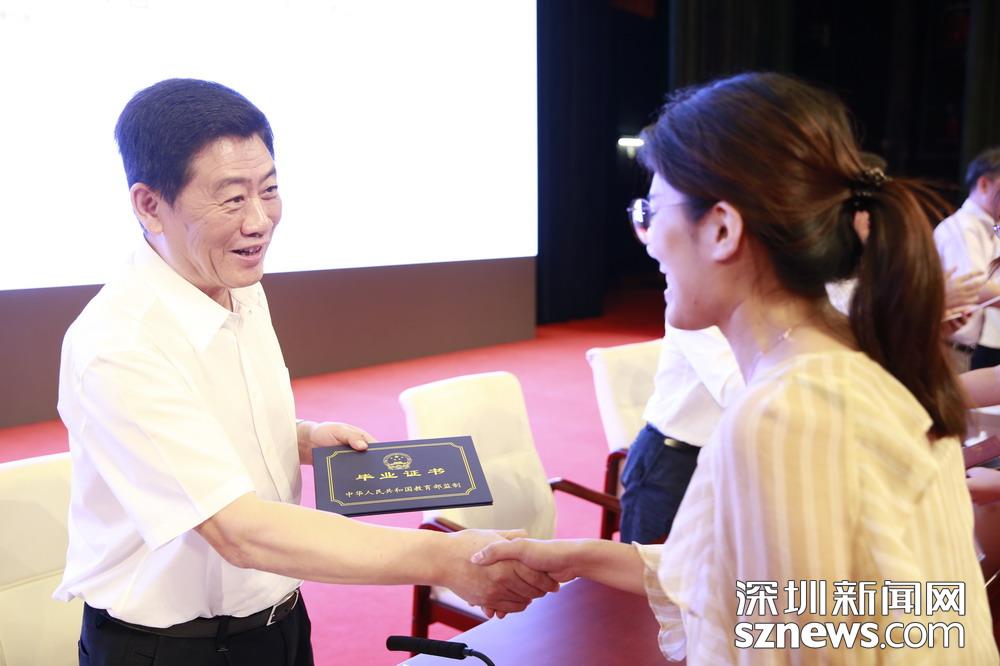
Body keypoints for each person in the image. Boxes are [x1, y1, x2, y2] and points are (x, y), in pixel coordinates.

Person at [470, 72, 997, 663]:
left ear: (722, 229)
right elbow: (863, 610)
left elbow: (798, 640)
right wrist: (578, 556)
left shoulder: (787, 411)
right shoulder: (851, 365)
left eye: (653, 210)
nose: (649, 240)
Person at [54, 79, 557, 665]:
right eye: (231, 198)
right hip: (171, 648)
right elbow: (238, 530)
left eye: (269, 190)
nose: (259, 221)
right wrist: (444, 559)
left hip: (280, 617)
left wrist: (303, 438)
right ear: (149, 205)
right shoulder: (117, 345)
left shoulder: (238, 284)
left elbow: (210, 422)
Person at [617, 324, 742, 544]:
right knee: (646, 562)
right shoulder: (696, 314)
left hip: (728, 459)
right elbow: (735, 389)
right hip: (673, 461)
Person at [935, 146, 1000, 371]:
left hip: (966, 350)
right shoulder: (963, 227)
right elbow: (974, 287)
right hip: (947, 349)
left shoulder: (989, 228)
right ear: (984, 184)